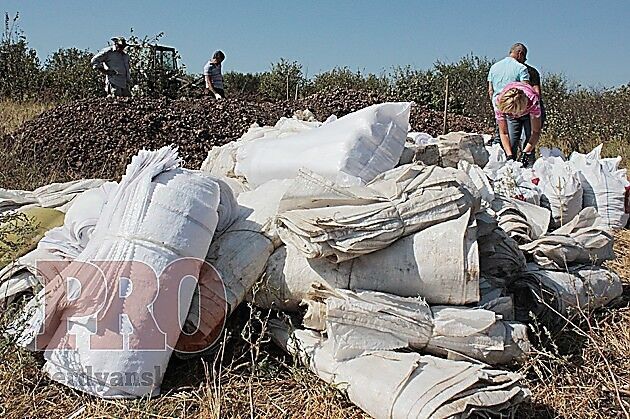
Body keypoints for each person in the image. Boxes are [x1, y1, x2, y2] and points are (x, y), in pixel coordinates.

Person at [487, 43, 530, 145]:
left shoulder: (494, 67)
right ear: (520, 54)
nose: (525, 60)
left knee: (500, 134)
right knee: (515, 137)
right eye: (524, 57)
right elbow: (526, 90)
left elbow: (490, 90)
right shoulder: (521, 68)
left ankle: (498, 156)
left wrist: (496, 105)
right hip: (515, 107)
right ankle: (516, 158)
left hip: (499, 105)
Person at [494, 81, 542, 167]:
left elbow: (536, 132)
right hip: (514, 106)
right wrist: (509, 156)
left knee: (528, 140)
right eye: (509, 113)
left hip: (528, 110)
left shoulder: (533, 102)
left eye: (514, 114)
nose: (513, 116)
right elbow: (504, 133)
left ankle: (529, 168)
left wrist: (526, 152)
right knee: (512, 142)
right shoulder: (500, 103)